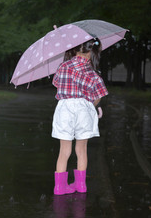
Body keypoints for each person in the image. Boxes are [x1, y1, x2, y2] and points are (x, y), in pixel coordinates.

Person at [52, 38, 108, 195]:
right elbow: (98, 97)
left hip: (64, 109)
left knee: (64, 150)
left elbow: (56, 83)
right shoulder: (93, 74)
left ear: (75, 50)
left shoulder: (63, 66)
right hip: (84, 109)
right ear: (91, 53)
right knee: (82, 149)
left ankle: (59, 187)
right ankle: (81, 185)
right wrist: (92, 106)